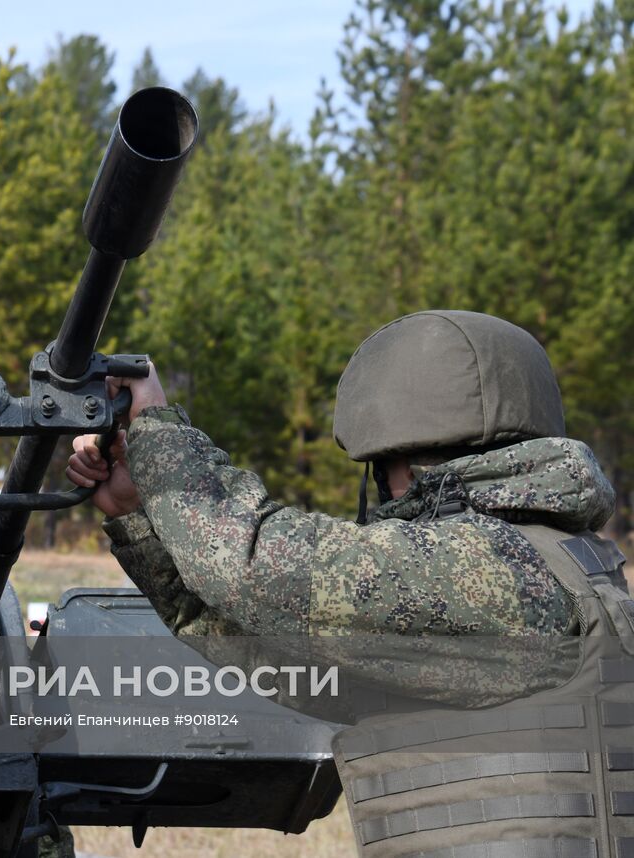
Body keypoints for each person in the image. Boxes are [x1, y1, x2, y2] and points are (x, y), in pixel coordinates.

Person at [68, 310, 630, 857]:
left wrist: (156, 428)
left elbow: (254, 568)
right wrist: (142, 511)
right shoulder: (549, 563)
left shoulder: (498, 568)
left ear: (399, 465)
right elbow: (283, 659)